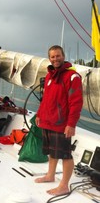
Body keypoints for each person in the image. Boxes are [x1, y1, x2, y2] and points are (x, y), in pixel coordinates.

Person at [35, 45, 83, 196]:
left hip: (61, 124)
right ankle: (50, 175)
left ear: (63, 56)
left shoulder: (72, 77)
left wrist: (71, 124)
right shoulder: (50, 76)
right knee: (52, 152)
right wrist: (39, 114)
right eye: (52, 57)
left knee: (65, 155)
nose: (55, 59)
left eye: (58, 56)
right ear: (49, 58)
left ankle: (63, 185)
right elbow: (45, 100)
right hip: (48, 121)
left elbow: (76, 102)